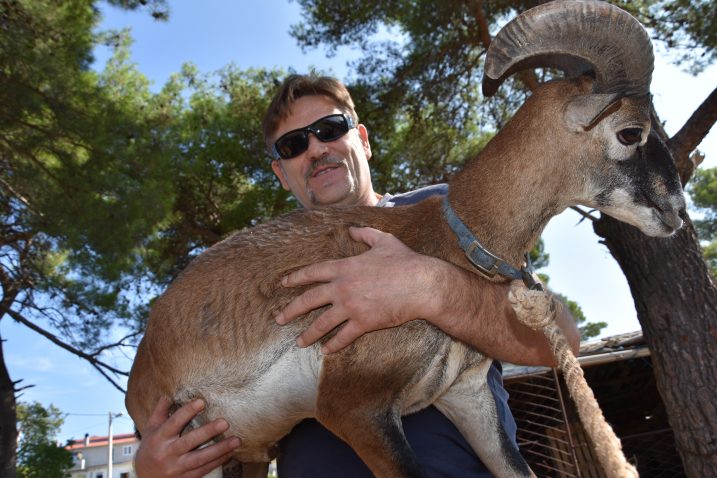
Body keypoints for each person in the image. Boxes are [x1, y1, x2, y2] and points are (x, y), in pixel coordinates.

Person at [134, 74, 581, 477]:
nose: (316, 149)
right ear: (281, 174)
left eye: (330, 130)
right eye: (293, 146)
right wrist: (151, 465)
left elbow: (559, 342)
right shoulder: (257, 274)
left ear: (362, 139)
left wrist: (432, 286)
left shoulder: (449, 212)